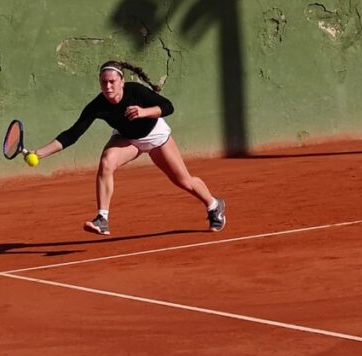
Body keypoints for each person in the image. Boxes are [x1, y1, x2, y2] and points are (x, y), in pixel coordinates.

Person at [30, 60, 226, 236]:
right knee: (106, 162)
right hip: (127, 139)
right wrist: (39, 153)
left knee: (183, 181)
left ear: (121, 81)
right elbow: (72, 134)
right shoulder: (97, 105)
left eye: (112, 82)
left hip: (155, 136)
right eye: (104, 82)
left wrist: (144, 112)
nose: (108, 86)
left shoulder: (136, 92)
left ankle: (214, 205)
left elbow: (168, 106)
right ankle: (102, 218)